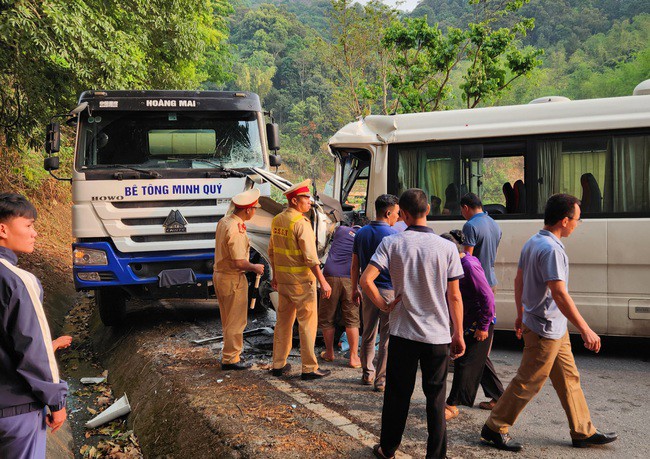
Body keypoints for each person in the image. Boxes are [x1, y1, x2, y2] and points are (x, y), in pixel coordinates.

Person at [480, 194, 618, 452]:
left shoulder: (534, 241)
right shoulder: (552, 249)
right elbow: (559, 293)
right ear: (564, 221)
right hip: (545, 328)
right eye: (576, 219)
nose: (578, 224)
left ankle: (582, 430)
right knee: (528, 381)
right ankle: (494, 426)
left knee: (568, 378)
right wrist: (586, 329)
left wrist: (520, 314)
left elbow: (518, 280)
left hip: (550, 325)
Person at [360, 188, 465, 459]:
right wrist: (458, 333)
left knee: (397, 396)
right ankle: (436, 456)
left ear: (403, 215)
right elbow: (454, 296)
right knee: (436, 400)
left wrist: (383, 305)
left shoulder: (393, 243)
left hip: (403, 334)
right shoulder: (447, 248)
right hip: (438, 336)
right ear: (428, 210)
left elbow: (365, 280)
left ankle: (388, 449)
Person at [0, 193, 68, 458]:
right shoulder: (18, 281)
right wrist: (56, 401)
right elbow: (33, 349)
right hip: (17, 411)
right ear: (3, 229)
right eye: (28, 225)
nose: (35, 233)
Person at [269, 179, 332, 380]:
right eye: (306, 199)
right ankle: (309, 368)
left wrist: (276, 276)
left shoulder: (277, 220)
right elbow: (311, 258)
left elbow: (272, 252)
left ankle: (278, 364)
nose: (310, 202)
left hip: (285, 282)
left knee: (283, 323)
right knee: (307, 324)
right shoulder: (301, 223)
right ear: (295, 201)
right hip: (302, 283)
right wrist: (323, 281)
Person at [440, 230, 502, 421]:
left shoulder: (468, 265)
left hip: (478, 323)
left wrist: (483, 326)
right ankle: (499, 398)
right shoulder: (459, 262)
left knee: (464, 362)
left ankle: (452, 403)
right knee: (479, 361)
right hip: (469, 320)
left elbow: (488, 298)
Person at [460, 192, 504, 410]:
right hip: (490, 280)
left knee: (474, 347)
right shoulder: (495, 224)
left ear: (466, 207)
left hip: (476, 285)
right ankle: (495, 395)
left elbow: (467, 258)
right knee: (477, 348)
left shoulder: (470, 226)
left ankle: (496, 395)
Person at [351, 194, 399, 392]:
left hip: (367, 289)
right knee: (386, 337)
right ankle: (381, 380)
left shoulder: (361, 233)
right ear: (388, 213)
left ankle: (367, 373)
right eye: (396, 213)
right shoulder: (393, 236)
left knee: (368, 333)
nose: (398, 217)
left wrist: (355, 288)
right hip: (388, 291)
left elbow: (355, 265)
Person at [213, 188, 265, 370]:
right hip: (232, 278)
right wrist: (254, 266)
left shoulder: (224, 221)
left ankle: (229, 354)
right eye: (254, 209)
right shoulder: (236, 228)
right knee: (236, 320)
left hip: (220, 275)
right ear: (248, 210)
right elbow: (238, 261)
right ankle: (231, 359)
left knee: (227, 319)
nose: (255, 212)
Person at [318, 224, 360, 368]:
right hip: (349, 277)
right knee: (351, 318)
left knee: (327, 317)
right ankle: (354, 358)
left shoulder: (341, 229)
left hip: (329, 275)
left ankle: (329, 353)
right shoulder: (363, 235)